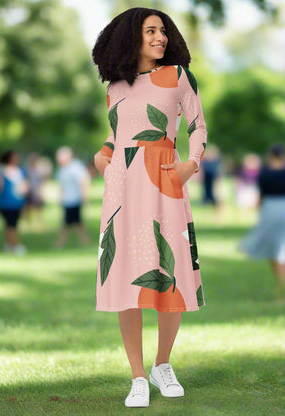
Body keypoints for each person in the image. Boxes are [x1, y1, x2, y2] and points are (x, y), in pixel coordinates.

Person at [92, 7, 207, 408]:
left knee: (168, 272)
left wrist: (191, 165)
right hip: (123, 187)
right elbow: (116, 132)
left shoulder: (178, 77)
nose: (160, 38)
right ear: (131, 38)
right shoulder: (117, 86)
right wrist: (103, 155)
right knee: (127, 277)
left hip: (165, 183)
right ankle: (138, 376)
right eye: (151, 31)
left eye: (163, 31)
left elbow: (198, 127)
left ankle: (163, 364)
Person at [239, 144, 285, 297]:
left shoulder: (264, 174)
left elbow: (261, 197)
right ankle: (282, 280)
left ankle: (280, 281)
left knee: (274, 246)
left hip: (270, 209)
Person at [0, 150, 28, 255]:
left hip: (17, 202)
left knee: (12, 225)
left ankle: (10, 245)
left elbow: (25, 186)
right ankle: (15, 245)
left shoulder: (20, 171)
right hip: (5, 202)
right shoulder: (2, 171)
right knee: (10, 225)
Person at [55, 146, 91, 247]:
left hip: (75, 200)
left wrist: (84, 196)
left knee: (70, 223)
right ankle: (84, 241)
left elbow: (84, 181)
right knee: (75, 223)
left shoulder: (76, 167)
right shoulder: (62, 170)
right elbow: (62, 186)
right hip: (67, 200)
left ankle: (61, 242)